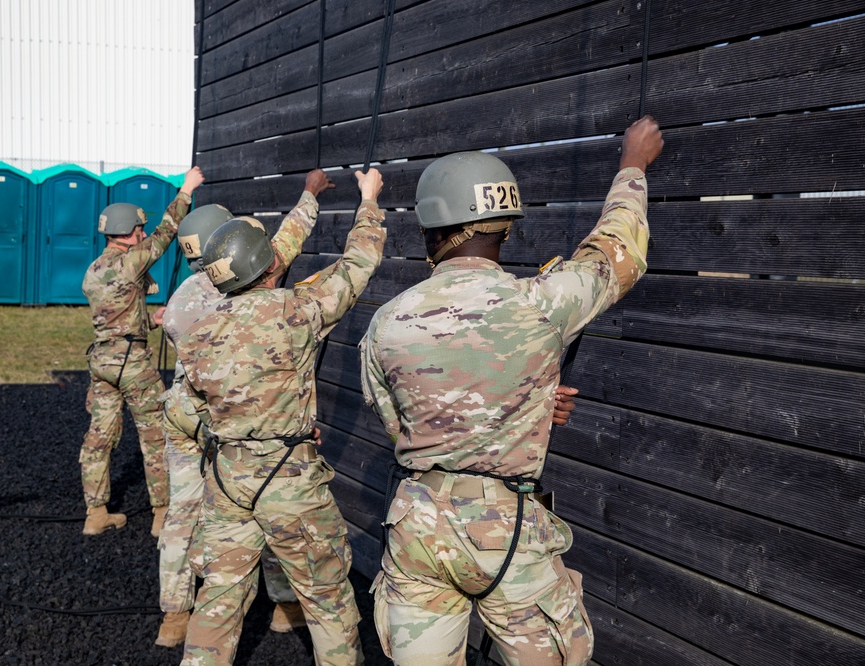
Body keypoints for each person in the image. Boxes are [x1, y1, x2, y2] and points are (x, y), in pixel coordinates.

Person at [359, 115, 664, 665]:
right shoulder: (544, 302)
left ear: (432, 232)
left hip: (417, 525)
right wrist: (633, 163)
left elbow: (396, 419)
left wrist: (522, 404)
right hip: (510, 529)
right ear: (506, 226)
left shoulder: (387, 320)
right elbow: (618, 251)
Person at [175, 168, 387, 666]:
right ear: (270, 264)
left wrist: (234, 429)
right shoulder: (299, 310)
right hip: (289, 479)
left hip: (227, 480)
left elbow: (185, 414)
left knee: (219, 598)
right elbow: (359, 262)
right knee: (328, 599)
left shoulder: (198, 332)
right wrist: (369, 201)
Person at [155, 170, 335, 647]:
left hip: (185, 406)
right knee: (268, 488)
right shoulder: (239, 281)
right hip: (231, 410)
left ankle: (175, 616)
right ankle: (283, 603)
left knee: (184, 510)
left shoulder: (178, 303)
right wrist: (310, 195)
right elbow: (286, 242)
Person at [79, 167, 204, 536]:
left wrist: (150, 320)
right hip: (133, 364)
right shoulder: (130, 262)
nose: (144, 235)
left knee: (98, 440)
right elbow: (166, 235)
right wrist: (186, 191)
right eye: (139, 231)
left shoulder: (94, 270)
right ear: (128, 234)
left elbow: (112, 317)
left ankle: (95, 513)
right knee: (155, 436)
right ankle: (162, 514)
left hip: (101, 361)